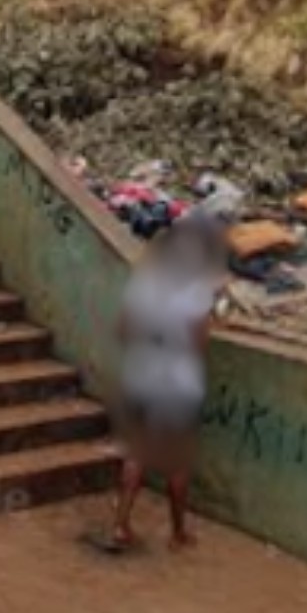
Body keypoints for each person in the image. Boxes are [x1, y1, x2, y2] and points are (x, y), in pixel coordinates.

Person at [101, 211, 228, 552]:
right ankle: (177, 533)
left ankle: (120, 525)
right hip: (178, 383)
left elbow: (122, 331)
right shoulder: (197, 291)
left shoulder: (143, 284)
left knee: (136, 453)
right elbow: (198, 345)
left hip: (141, 375)